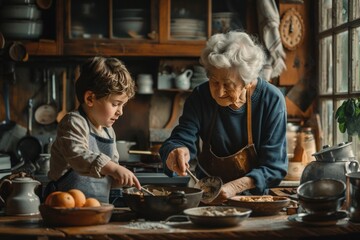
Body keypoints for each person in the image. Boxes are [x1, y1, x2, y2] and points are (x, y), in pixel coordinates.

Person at [159, 31, 288, 204]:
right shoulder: (200, 97)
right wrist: (177, 151)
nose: (219, 92)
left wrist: (233, 188)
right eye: (214, 82)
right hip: (207, 198)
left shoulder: (271, 100)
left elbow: (274, 167)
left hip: (255, 201)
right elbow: (180, 138)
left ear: (248, 81)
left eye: (228, 85)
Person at [46, 56, 141, 203]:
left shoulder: (109, 131)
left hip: (98, 208)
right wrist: (113, 168)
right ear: (90, 98)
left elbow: (110, 172)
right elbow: (77, 154)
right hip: (65, 207)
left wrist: (119, 180)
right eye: (116, 104)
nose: (120, 112)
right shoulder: (73, 122)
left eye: (123, 105)